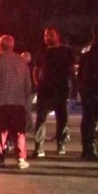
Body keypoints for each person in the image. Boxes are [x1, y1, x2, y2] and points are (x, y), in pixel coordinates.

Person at [0, 35, 32, 169]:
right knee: (18, 133)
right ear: (12, 46)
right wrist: (26, 99)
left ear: (0, 46)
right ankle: (21, 159)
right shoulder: (21, 60)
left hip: (1, 101)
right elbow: (27, 82)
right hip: (18, 102)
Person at [31, 27, 75, 157]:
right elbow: (36, 69)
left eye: (50, 35)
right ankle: (38, 147)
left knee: (62, 118)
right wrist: (37, 82)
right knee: (41, 118)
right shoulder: (42, 52)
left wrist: (73, 86)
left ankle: (60, 143)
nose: (47, 38)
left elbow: (71, 69)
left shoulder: (66, 51)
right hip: (45, 89)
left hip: (61, 88)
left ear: (57, 36)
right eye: (45, 35)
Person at [78, 22, 98, 161]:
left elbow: (81, 71)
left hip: (86, 89)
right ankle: (91, 150)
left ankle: (87, 149)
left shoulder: (86, 48)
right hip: (95, 90)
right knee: (94, 120)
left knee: (87, 120)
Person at [20, 52, 35, 134]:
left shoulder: (28, 67)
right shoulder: (28, 67)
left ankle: (29, 126)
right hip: (29, 90)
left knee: (27, 108)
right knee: (26, 108)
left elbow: (28, 81)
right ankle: (28, 125)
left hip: (30, 90)